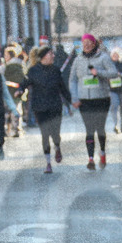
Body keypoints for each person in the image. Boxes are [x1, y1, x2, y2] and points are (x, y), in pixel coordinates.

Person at [17, 45, 72, 173]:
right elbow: (25, 82)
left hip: (55, 106)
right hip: (40, 107)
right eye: (50, 54)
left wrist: (71, 102)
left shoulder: (56, 70)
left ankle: (57, 146)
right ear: (43, 56)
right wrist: (20, 90)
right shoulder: (33, 71)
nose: (53, 56)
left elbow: (63, 88)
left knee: (55, 133)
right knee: (45, 134)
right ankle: (48, 163)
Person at [68, 33, 117, 170]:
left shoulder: (103, 57)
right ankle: (90, 159)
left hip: (101, 99)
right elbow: (72, 80)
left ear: (94, 44)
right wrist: (74, 97)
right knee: (89, 129)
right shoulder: (78, 60)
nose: (87, 46)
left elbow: (113, 73)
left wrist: (99, 72)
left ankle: (102, 152)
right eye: (84, 44)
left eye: (89, 43)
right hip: (85, 100)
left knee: (100, 128)